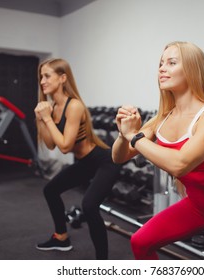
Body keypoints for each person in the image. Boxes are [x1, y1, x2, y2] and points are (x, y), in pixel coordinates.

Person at [112, 41, 204, 260]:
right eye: (161, 63)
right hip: (197, 206)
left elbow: (179, 164)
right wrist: (122, 133)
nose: (162, 68)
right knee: (140, 242)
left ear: (193, 69)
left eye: (171, 63)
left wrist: (133, 136)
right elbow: (119, 157)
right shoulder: (162, 118)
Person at [34, 58, 121, 259]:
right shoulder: (53, 107)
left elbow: (64, 146)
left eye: (47, 76)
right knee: (50, 190)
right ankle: (61, 237)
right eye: (41, 77)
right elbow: (50, 144)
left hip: (104, 161)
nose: (42, 81)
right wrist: (41, 120)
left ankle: (102, 264)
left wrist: (46, 119)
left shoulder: (74, 106)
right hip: (85, 162)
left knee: (89, 206)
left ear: (62, 78)